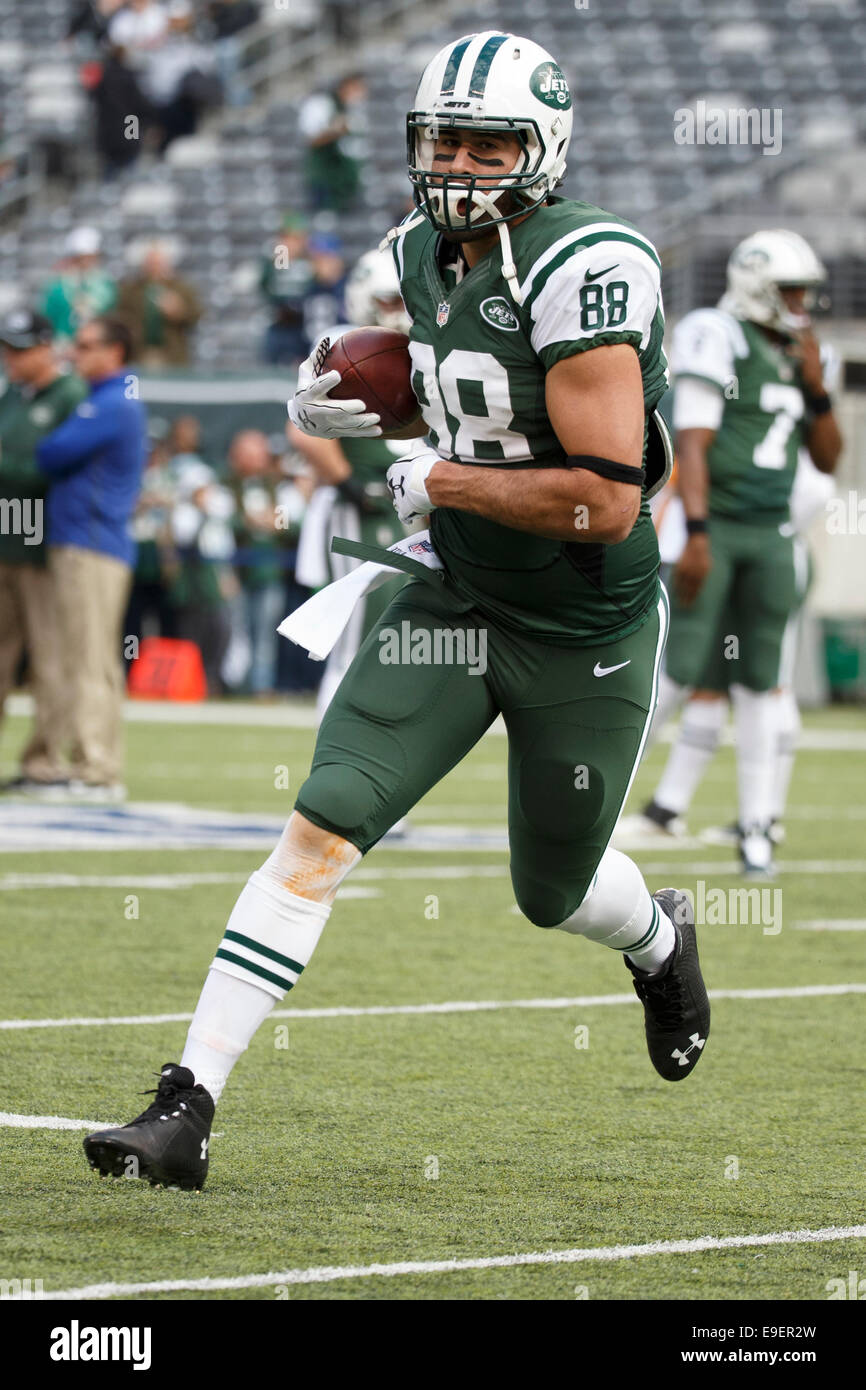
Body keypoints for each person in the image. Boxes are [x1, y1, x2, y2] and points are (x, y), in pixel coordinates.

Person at [83, 31, 710, 1191]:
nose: (460, 165)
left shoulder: (585, 264)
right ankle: (187, 1105)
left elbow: (605, 498)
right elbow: (459, 407)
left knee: (552, 891)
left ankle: (659, 938)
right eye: (444, 139)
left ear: (542, 148)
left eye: (487, 143)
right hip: (454, 593)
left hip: (581, 623)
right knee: (322, 819)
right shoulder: (419, 255)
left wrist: (444, 476)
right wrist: (362, 415)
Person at [635, 231, 843, 876]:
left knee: (761, 681)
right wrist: (695, 532)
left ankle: (758, 827)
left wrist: (817, 388)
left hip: (773, 534)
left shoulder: (811, 352)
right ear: (757, 284)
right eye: (790, 291)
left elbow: (831, 456)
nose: (801, 304)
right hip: (716, 526)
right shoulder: (715, 331)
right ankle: (607, 808)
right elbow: (693, 442)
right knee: (676, 668)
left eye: (806, 291)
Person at [289, 246, 418, 716]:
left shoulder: (424, 345)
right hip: (364, 502)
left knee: (397, 633)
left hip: (412, 504)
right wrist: (349, 484)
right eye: (388, 300)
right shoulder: (346, 344)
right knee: (357, 635)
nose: (399, 312)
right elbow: (302, 430)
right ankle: (335, 743)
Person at [36, 317, 146, 797]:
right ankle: (84, 763)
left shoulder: (112, 403)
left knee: (91, 659)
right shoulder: (107, 398)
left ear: (114, 351)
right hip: (86, 543)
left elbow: (51, 453)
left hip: (92, 545)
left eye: (84, 346)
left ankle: (98, 768)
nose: (74, 354)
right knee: (82, 656)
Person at [0, 311, 87, 792]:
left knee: (50, 659)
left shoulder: (69, 396)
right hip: (5, 538)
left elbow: (47, 465)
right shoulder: (12, 394)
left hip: (43, 541)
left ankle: (44, 762)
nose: (8, 358)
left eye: (17, 349)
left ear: (43, 348)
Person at [226, 429, 287, 697]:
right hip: (236, 570)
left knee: (264, 634)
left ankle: (261, 686)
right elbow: (220, 523)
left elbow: (291, 522)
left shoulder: (277, 487)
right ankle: (234, 685)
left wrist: (275, 523)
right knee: (237, 632)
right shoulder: (226, 485)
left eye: (258, 454)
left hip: (268, 570)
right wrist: (247, 521)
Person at [117, 240, 202, 366]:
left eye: (158, 263)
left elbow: (196, 315)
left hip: (172, 352)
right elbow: (121, 316)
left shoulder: (181, 288)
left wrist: (179, 311)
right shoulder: (131, 289)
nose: (154, 267)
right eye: (151, 263)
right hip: (140, 351)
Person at [298, 73, 368, 213]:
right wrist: (337, 130)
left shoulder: (353, 109)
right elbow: (312, 140)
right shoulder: (322, 105)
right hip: (325, 176)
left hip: (346, 179)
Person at [39, 227, 117, 347]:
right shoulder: (57, 286)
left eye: (89, 257)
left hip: (97, 345)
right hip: (64, 346)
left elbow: (112, 316)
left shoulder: (106, 285)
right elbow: (49, 318)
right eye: (80, 258)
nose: (85, 262)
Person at [259, 215, 313, 367]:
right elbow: (270, 286)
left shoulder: (310, 260)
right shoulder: (279, 258)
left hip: (302, 325)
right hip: (281, 324)